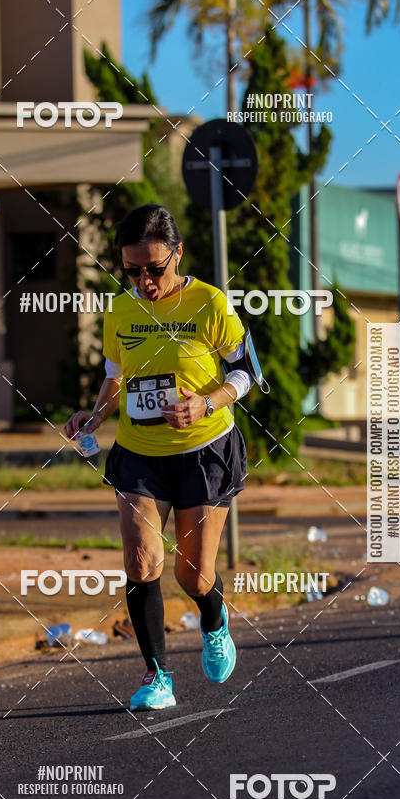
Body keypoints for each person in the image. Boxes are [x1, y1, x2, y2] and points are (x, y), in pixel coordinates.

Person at [65, 203, 261, 710]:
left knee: (192, 575)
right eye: (133, 270)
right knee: (141, 562)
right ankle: (159, 679)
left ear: (178, 253)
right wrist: (93, 418)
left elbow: (245, 373)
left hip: (204, 450)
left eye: (155, 268)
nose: (145, 281)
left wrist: (206, 402)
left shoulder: (209, 303)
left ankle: (213, 620)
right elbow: (115, 377)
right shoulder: (121, 309)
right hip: (139, 454)